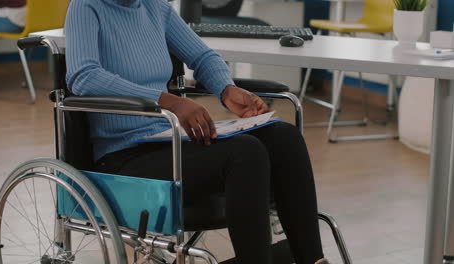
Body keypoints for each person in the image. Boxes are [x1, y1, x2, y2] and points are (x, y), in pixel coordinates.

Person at [65, 0, 330, 263]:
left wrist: (226, 89)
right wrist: (169, 101)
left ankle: (312, 260)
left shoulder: (156, 8)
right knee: (245, 153)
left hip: (166, 141)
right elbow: (84, 77)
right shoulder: (86, 7)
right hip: (122, 156)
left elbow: (203, 56)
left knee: (284, 137)